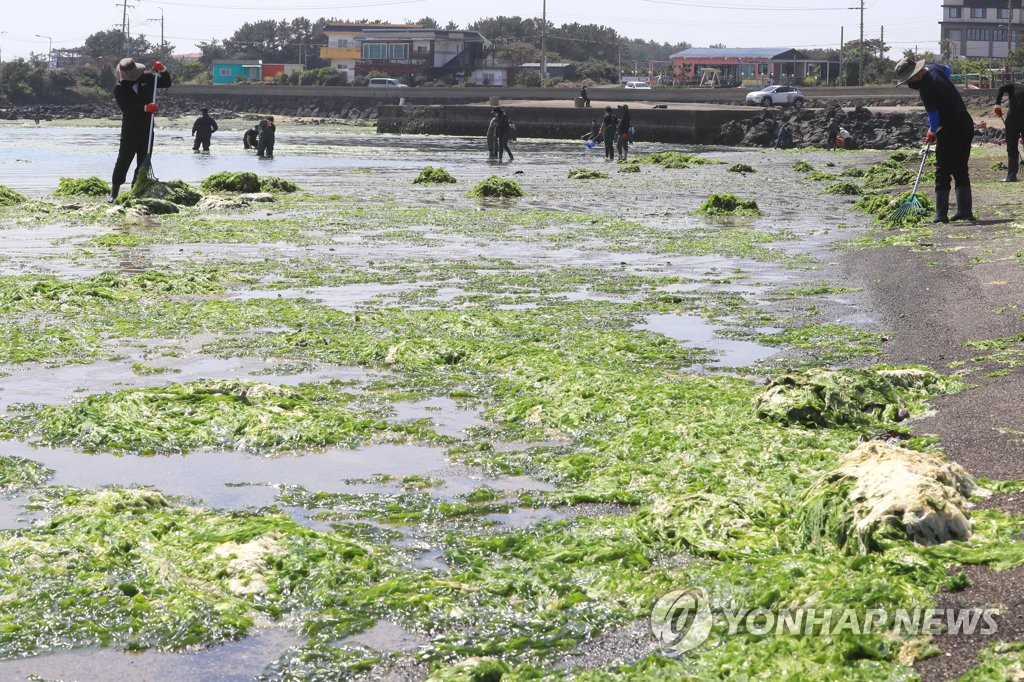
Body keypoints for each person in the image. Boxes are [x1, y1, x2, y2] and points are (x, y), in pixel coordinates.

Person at [895, 57, 975, 223]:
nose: (909, 83)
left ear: (916, 75)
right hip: (965, 122)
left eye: (909, 80)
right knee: (960, 166)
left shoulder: (926, 88)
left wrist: (932, 131)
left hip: (951, 127)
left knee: (942, 170)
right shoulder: (934, 68)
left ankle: (941, 214)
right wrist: (946, 92)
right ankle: (964, 210)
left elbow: (933, 115)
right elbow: (948, 69)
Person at [110, 57, 171, 202]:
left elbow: (166, 82)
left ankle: (135, 190)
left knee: (143, 161)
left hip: (147, 128)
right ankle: (114, 192)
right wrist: (145, 107)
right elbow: (127, 109)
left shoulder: (148, 79)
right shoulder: (119, 88)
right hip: (129, 130)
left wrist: (163, 69)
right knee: (123, 160)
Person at [995, 81, 1024, 181]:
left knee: (1011, 147)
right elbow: (1002, 88)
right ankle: (1011, 175)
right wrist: (997, 105)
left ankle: (1011, 175)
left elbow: (1001, 88)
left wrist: (997, 105)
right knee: (1011, 147)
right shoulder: (1013, 86)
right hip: (1013, 120)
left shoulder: (1014, 86)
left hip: (1013, 120)